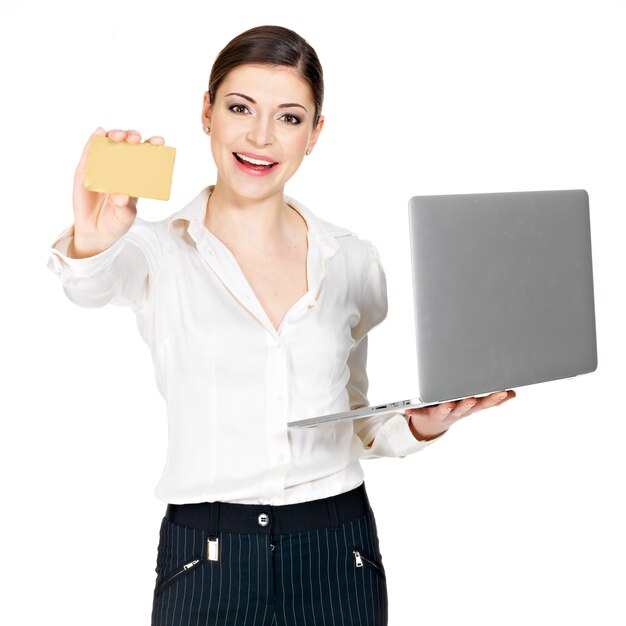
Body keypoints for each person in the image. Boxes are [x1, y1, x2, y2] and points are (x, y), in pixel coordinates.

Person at [47, 24, 515, 626]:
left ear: (315, 133)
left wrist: (417, 426)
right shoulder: (156, 251)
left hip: (336, 545)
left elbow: (350, 414)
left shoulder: (350, 259)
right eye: (240, 108)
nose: (260, 137)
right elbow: (88, 285)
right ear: (207, 113)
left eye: (289, 118)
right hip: (208, 553)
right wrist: (94, 238)